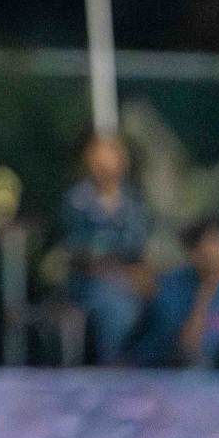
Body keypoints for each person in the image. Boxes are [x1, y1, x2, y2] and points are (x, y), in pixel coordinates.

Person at [61, 134, 152, 365]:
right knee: (116, 309)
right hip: (92, 285)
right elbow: (82, 257)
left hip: (134, 281)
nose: (106, 161)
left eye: (112, 153)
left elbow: (143, 250)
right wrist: (123, 272)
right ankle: (114, 370)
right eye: (98, 154)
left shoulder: (136, 200)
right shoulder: (77, 201)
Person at [131, 217, 219, 367]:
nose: (215, 252)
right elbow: (187, 349)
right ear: (195, 250)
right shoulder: (174, 287)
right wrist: (207, 289)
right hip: (158, 371)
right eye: (210, 244)